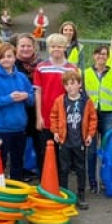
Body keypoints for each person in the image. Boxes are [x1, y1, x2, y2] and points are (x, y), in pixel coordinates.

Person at [0, 43, 35, 181]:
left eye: (9, 56)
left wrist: (26, 96)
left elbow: (32, 98)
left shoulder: (22, 77)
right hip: (2, 129)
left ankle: (16, 187)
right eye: (2, 57)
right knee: (0, 160)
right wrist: (8, 98)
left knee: (18, 161)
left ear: (14, 57)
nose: (6, 60)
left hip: (20, 127)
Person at [50, 70, 98, 210]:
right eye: (67, 84)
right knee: (63, 169)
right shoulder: (60, 101)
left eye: (73, 84)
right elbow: (54, 117)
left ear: (80, 84)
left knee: (80, 168)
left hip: (79, 141)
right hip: (65, 141)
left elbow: (93, 119)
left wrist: (90, 134)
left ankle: (81, 195)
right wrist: (55, 132)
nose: (70, 87)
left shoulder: (86, 102)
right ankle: (64, 194)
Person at [34, 33, 78, 173]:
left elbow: (75, 94)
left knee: (63, 153)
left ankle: (60, 184)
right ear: (48, 48)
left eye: (59, 46)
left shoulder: (72, 69)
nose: (56, 49)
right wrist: (38, 116)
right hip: (46, 116)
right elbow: (38, 93)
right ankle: (44, 181)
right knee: (45, 150)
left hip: (64, 117)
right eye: (53, 46)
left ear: (66, 48)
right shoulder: (41, 67)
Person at [84, 45, 112, 193]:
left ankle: (106, 179)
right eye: (98, 54)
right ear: (94, 56)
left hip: (109, 114)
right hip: (91, 114)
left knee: (108, 149)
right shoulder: (85, 73)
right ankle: (92, 181)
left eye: (104, 54)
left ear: (107, 57)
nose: (101, 57)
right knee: (91, 149)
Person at [13, 33, 42, 178]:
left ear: (34, 47)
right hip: (17, 111)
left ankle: (39, 172)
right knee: (19, 144)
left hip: (37, 110)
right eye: (22, 46)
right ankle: (19, 175)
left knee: (38, 141)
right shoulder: (11, 65)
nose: (25, 49)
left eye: (29, 46)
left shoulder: (41, 65)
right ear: (16, 48)